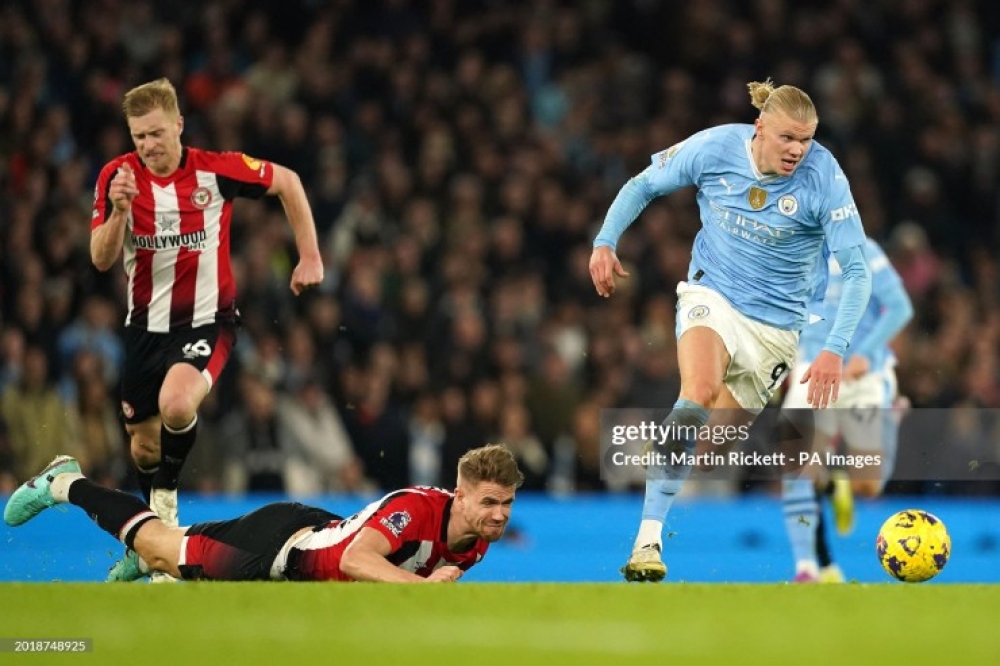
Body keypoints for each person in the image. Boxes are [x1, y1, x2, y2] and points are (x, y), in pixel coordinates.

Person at [589, 79, 872, 582]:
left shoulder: (825, 177)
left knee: (715, 448)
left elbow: (857, 271)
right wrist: (605, 241)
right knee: (695, 394)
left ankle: (672, 456)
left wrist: (833, 349)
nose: (797, 151)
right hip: (712, 295)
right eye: (787, 138)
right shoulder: (716, 147)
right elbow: (643, 184)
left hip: (778, 329)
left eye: (806, 140)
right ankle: (647, 543)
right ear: (759, 126)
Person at [89, 79, 323, 550]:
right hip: (143, 329)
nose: (148, 145)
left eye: (156, 133)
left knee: (177, 404)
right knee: (143, 444)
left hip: (207, 320)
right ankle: (152, 535)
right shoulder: (117, 177)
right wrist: (117, 212)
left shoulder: (216, 172)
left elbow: (288, 182)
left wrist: (310, 255)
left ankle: (166, 505)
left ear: (179, 125)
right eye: (138, 137)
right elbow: (100, 258)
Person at [3, 444, 522, 583]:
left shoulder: (474, 540)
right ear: (460, 493)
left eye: (507, 504)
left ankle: (143, 563)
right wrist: (423, 591)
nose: (499, 516)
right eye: (489, 502)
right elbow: (357, 562)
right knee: (161, 545)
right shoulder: (417, 511)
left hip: (314, 534)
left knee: (166, 550)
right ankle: (65, 481)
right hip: (279, 548)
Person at [780, 237, 913, 582]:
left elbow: (900, 307)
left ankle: (886, 422)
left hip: (861, 373)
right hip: (813, 366)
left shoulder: (865, 250)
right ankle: (806, 567)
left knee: (867, 487)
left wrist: (865, 353)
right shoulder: (792, 248)